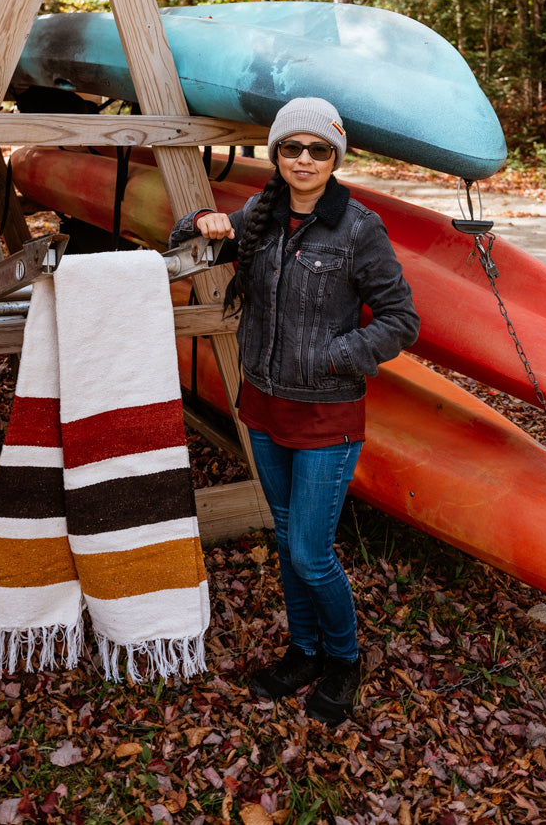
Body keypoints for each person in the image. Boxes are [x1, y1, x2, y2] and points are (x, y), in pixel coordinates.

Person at [170, 96, 419, 726]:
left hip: (326, 414)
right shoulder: (262, 213)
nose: (303, 159)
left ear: (335, 157)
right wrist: (204, 219)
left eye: (318, 149)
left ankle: (344, 659)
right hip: (263, 404)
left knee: (311, 552)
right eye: (290, 148)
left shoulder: (358, 227)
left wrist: (335, 357)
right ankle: (303, 650)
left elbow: (400, 321)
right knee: (285, 541)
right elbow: (186, 237)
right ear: (276, 155)